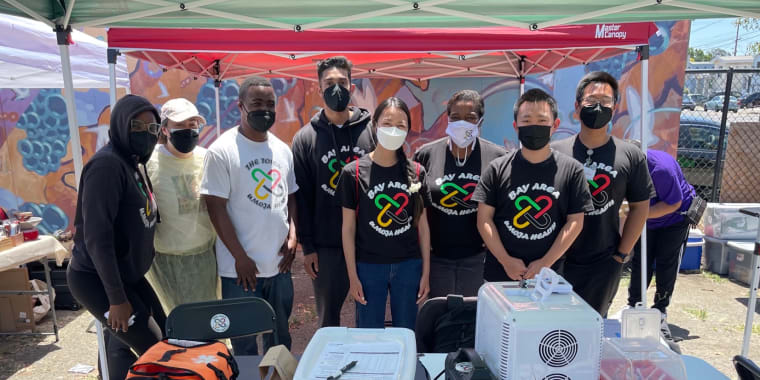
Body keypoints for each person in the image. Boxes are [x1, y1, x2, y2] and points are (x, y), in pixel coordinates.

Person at [67, 95, 165, 379]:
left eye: (153, 129)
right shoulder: (107, 167)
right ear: (122, 125)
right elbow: (98, 238)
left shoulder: (131, 163)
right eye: (138, 126)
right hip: (96, 279)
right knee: (154, 347)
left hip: (126, 276)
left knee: (167, 331)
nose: (146, 134)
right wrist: (116, 299)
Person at [200, 77, 298, 355]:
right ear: (240, 106)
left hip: (279, 267)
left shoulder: (282, 149)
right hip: (240, 272)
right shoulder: (222, 151)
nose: (264, 110)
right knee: (243, 343)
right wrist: (240, 257)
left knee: (280, 340)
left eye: (270, 104)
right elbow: (215, 207)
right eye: (256, 104)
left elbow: (291, 195)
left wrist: (293, 234)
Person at [552, 71, 655, 317]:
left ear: (615, 108)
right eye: (591, 100)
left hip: (603, 261)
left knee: (591, 327)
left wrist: (621, 254)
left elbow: (641, 206)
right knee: (550, 325)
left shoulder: (630, 155)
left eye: (605, 101)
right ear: (577, 107)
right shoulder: (555, 152)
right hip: (555, 260)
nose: (597, 107)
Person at [473, 89, 593, 282]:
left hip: (550, 278)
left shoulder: (572, 170)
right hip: (500, 275)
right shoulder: (496, 168)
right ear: (516, 126)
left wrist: (545, 262)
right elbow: (484, 219)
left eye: (542, 121)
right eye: (527, 121)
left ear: (555, 125)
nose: (534, 126)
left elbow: (575, 222)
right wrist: (506, 261)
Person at [292, 56, 375, 327]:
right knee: (328, 318)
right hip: (327, 246)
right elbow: (302, 197)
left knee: (370, 311)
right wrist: (309, 247)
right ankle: (329, 367)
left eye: (342, 82)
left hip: (368, 241)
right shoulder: (305, 138)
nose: (336, 89)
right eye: (329, 83)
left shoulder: (372, 132)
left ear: (352, 86)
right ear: (319, 88)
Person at [339, 97, 431, 329]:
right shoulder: (353, 172)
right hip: (369, 267)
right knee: (369, 333)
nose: (393, 130)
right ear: (375, 126)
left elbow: (423, 226)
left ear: (408, 131)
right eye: (387, 123)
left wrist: (426, 273)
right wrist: (351, 276)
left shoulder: (417, 172)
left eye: (400, 126)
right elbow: (348, 228)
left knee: (407, 331)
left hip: (409, 266)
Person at [413, 90, 506, 297]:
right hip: (436, 258)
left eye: (470, 118)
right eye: (455, 117)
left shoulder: (497, 157)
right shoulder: (426, 154)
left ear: (480, 121)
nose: (462, 122)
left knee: (472, 317)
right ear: (448, 119)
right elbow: (416, 206)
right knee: (439, 317)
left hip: (477, 257)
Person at [145, 98, 217, 313]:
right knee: (174, 320)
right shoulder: (149, 162)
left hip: (204, 255)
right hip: (164, 258)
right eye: (179, 125)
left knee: (207, 318)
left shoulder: (207, 159)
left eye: (192, 124)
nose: (188, 130)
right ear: (165, 129)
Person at [626, 144, 695, 337]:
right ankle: (634, 305)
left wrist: (639, 214)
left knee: (666, 262)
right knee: (641, 260)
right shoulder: (625, 167)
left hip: (674, 218)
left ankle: (660, 310)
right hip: (647, 219)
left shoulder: (661, 170)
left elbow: (673, 203)